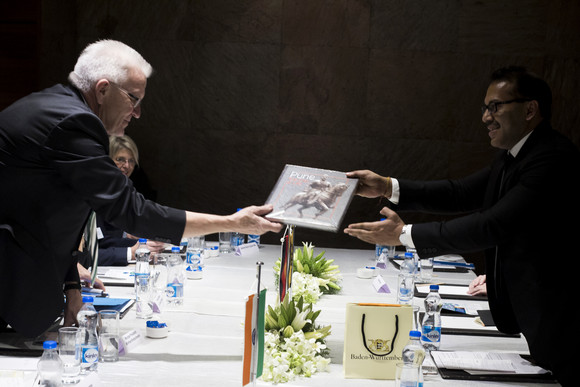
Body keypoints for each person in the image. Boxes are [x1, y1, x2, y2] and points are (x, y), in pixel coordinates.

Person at [0, 40, 282, 338]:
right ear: (102, 90)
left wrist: (71, 287)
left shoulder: (58, 106)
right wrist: (230, 223)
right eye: (133, 99)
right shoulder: (74, 123)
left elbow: (49, 211)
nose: (137, 113)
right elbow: (131, 211)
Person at [344, 66, 579, 386]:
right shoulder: (515, 155)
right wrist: (387, 186)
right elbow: (461, 193)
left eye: (495, 106)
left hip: (561, 324)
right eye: (485, 108)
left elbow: (492, 226)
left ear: (530, 109)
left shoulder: (552, 158)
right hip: (538, 318)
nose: (485, 117)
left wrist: (404, 235)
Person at [90, 135, 165, 266]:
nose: (127, 166)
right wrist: (131, 252)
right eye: (120, 159)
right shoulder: (94, 191)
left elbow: (106, 239)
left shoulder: (122, 189)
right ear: (107, 160)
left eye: (131, 161)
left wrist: (142, 244)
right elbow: (93, 248)